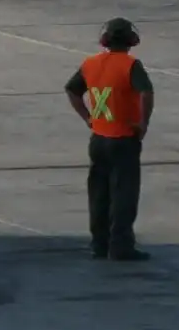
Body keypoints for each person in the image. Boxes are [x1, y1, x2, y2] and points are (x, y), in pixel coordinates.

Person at [65, 18, 154, 260]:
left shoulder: (90, 63)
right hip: (124, 138)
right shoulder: (130, 65)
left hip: (99, 138)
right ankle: (121, 246)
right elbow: (146, 91)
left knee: (99, 193)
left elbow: (72, 90)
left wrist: (87, 118)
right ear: (131, 40)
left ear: (104, 39)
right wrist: (144, 122)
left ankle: (99, 244)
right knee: (124, 194)